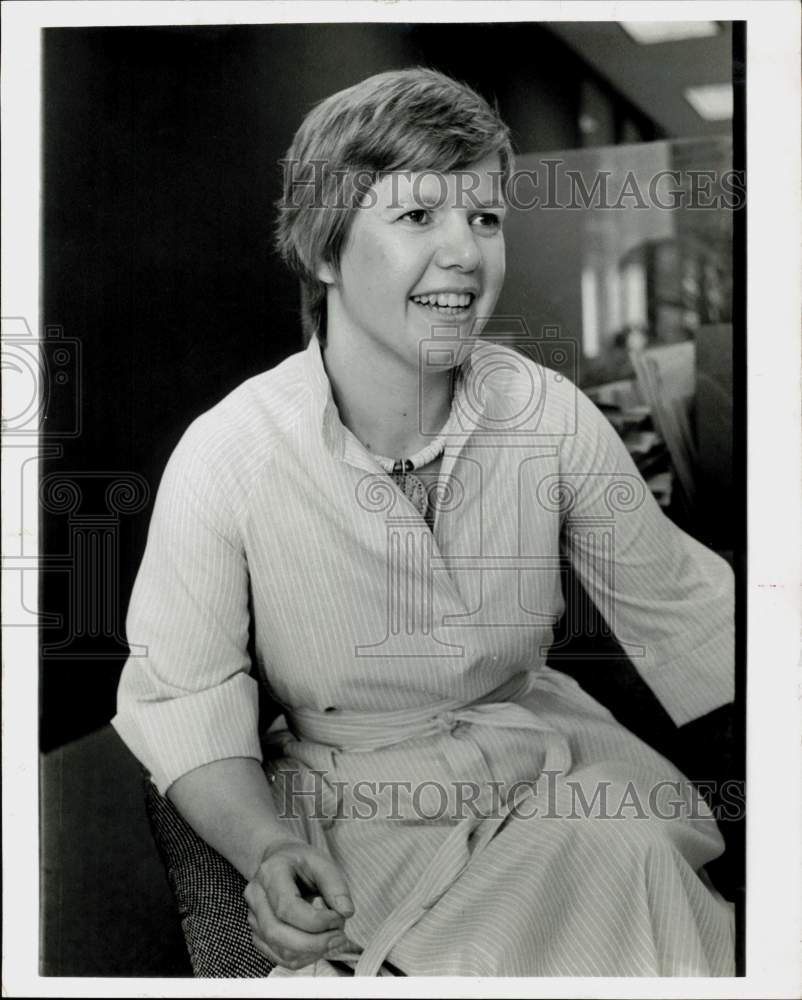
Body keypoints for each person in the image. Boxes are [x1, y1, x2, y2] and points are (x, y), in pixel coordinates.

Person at [112, 68, 735, 977]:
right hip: (361, 825)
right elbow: (183, 707)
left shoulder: (548, 413)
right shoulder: (228, 453)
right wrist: (267, 852)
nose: (468, 254)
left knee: (630, 863)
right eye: (418, 217)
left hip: (551, 774)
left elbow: (689, 611)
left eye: (484, 218)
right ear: (325, 251)